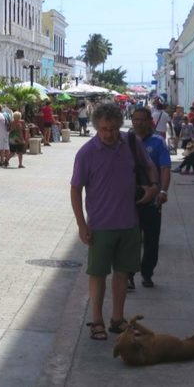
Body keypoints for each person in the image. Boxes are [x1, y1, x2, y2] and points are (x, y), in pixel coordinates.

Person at [70, 102, 159, 341]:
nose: (108, 133)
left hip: (130, 222)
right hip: (100, 225)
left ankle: (117, 319)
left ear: (119, 125)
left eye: (112, 128)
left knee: (122, 274)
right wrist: (81, 224)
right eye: (103, 129)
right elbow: (76, 189)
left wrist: (153, 188)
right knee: (97, 274)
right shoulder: (87, 153)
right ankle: (96, 320)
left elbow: (150, 168)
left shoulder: (131, 144)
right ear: (96, 127)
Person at [129, 107, 170, 289]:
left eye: (142, 119)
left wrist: (163, 191)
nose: (138, 123)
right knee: (131, 239)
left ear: (149, 122)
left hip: (153, 198)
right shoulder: (126, 141)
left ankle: (147, 273)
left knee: (152, 239)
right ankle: (128, 274)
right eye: (135, 119)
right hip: (130, 197)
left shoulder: (158, 143)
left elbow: (165, 168)